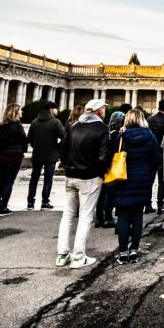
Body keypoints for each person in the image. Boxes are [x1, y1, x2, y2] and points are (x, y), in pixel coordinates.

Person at [56, 99, 112, 268]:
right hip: (90, 177)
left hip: (71, 175)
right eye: (103, 108)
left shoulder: (74, 127)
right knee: (86, 216)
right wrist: (101, 172)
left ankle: (62, 254)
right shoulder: (102, 128)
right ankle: (79, 256)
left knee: (68, 215)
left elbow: (62, 151)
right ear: (98, 111)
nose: (104, 111)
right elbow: (103, 156)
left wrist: (68, 166)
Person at [111, 109, 161, 264]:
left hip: (123, 178)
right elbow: (156, 160)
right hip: (143, 179)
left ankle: (123, 251)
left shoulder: (121, 137)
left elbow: (112, 157)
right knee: (138, 215)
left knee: (124, 216)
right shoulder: (150, 136)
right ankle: (134, 250)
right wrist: (147, 172)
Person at [0, 103, 28, 216]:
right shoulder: (17, 124)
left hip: (1, 156)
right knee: (8, 181)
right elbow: (23, 139)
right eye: (20, 110)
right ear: (16, 112)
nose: (22, 112)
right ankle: (3, 207)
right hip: (13, 155)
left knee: (0, 181)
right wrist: (23, 150)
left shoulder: (2, 124)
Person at [27, 101, 64, 210]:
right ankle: (45, 202)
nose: (58, 110)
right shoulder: (56, 122)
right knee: (48, 179)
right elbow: (64, 136)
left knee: (34, 179)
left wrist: (36, 146)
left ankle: (30, 202)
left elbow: (29, 139)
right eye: (56, 108)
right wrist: (57, 147)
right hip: (51, 155)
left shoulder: (34, 122)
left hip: (37, 154)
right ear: (51, 109)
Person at [146, 99, 164, 214]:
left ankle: (147, 205)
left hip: (150, 154)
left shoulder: (149, 120)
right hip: (162, 154)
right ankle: (160, 205)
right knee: (162, 181)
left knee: (149, 181)